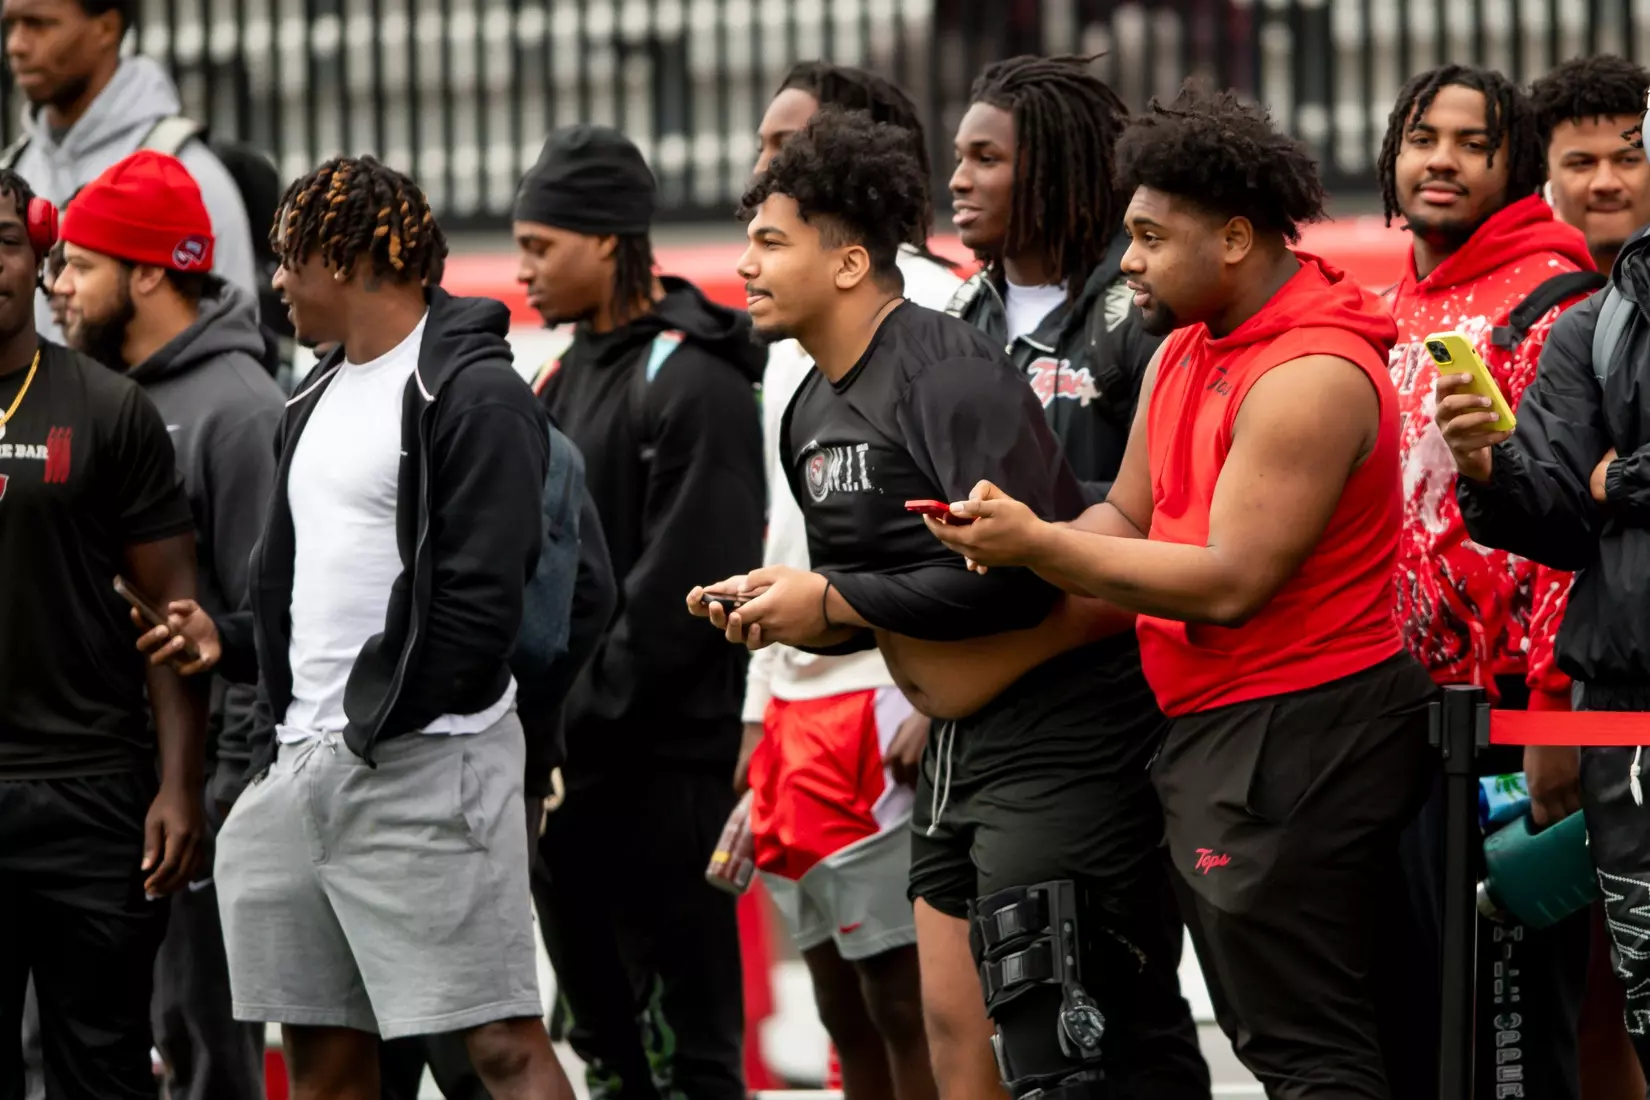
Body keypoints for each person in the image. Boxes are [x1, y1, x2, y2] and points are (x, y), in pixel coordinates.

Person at [924, 85, 1438, 1100]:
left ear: (1237, 237)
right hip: (1223, 732)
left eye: (1153, 237)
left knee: (1311, 1051)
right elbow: (1126, 517)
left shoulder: (1313, 372)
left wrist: (1040, 544)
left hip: (1302, 732)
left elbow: (1229, 579)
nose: (1130, 261)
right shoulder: (1184, 350)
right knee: (1276, 1039)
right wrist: (1010, 545)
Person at [694, 106, 1208, 1100]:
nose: (746, 265)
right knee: (947, 1032)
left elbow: (1022, 579)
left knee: (1070, 1035)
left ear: (848, 264)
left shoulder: (948, 375)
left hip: (1061, 738)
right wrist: (785, 602)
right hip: (951, 749)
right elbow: (885, 580)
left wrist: (833, 602)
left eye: (769, 241)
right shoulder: (809, 399)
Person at [210, 155, 573, 1100]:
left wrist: (381, 719)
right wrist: (230, 646)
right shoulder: (313, 395)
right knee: (325, 1062)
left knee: (499, 1045)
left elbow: (479, 605)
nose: (276, 280)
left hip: (425, 763)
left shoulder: (478, 393)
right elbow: (309, 594)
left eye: (291, 257)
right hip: (302, 765)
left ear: (351, 257)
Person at [515, 124, 763, 1100]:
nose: (526, 269)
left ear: (610, 237)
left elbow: (685, 588)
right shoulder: (554, 377)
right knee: (607, 1052)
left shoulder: (692, 375)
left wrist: (569, 721)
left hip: (663, 776)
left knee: (686, 1058)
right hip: (568, 779)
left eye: (542, 246)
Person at [1376, 63, 1601, 1099]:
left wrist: (1554, 714)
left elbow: (1565, 525)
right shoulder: (1393, 303)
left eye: (1474, 142)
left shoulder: (1555, 299)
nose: (1444, 160)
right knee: (1424, 1019)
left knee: (1514, 1035)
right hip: (1403, 712)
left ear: (1512, 167)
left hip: (1509, 723)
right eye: (1426, 136)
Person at [42, 148, 280, 1100]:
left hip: (199, 814)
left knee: (201, 1054)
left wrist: (221, 804)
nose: (58, 286)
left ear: (148, 272)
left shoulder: (237, 413)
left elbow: (269, 624)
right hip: (103, 801)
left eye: (81, 266)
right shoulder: (95, 397)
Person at [742, 60, 958, 1100]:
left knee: (906, 1003)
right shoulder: (781, 330)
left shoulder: (946, 311)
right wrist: (758, 727)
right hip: (795, 703)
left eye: (784, 146)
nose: (760, 168)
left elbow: (985, 520)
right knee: (840, 1007)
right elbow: (784, 532)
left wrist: (938, 687)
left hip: (888, 692)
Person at [1436, 100, 1650, 1083]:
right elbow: (1559, 512)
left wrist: (1625, 480)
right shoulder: (1597, 326)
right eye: (1586, 158)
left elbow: (1604, 489)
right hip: (1627, 722)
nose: (1611, 178)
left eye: (1629, 153)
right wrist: (1490, 464)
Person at [0, 166, 207, 1098]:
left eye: (5, 243)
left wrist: (178, 785)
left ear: (39, 255)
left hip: (93, 798)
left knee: (102, 1067)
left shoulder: (110, 408)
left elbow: (170, 614)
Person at [946, 54, 1156, 501]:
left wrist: (1033, 525)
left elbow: (1166, 503)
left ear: (1055, 174)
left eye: (986, 159)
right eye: (959, 157)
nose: (958, 180)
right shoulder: (961, 312)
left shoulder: (1140, 313)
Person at [0, 0, 256, 339]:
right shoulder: (13, 170)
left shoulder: (192, 176)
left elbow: (231, 351)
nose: (15, 45)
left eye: (39, 24)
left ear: (106, 28)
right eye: (11, 25)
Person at [1532, 55, 1650, 275]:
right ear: (1546, 172)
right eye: (1581, 163)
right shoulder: (1515, 293)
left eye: (1627, 160)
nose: (1606, 183)